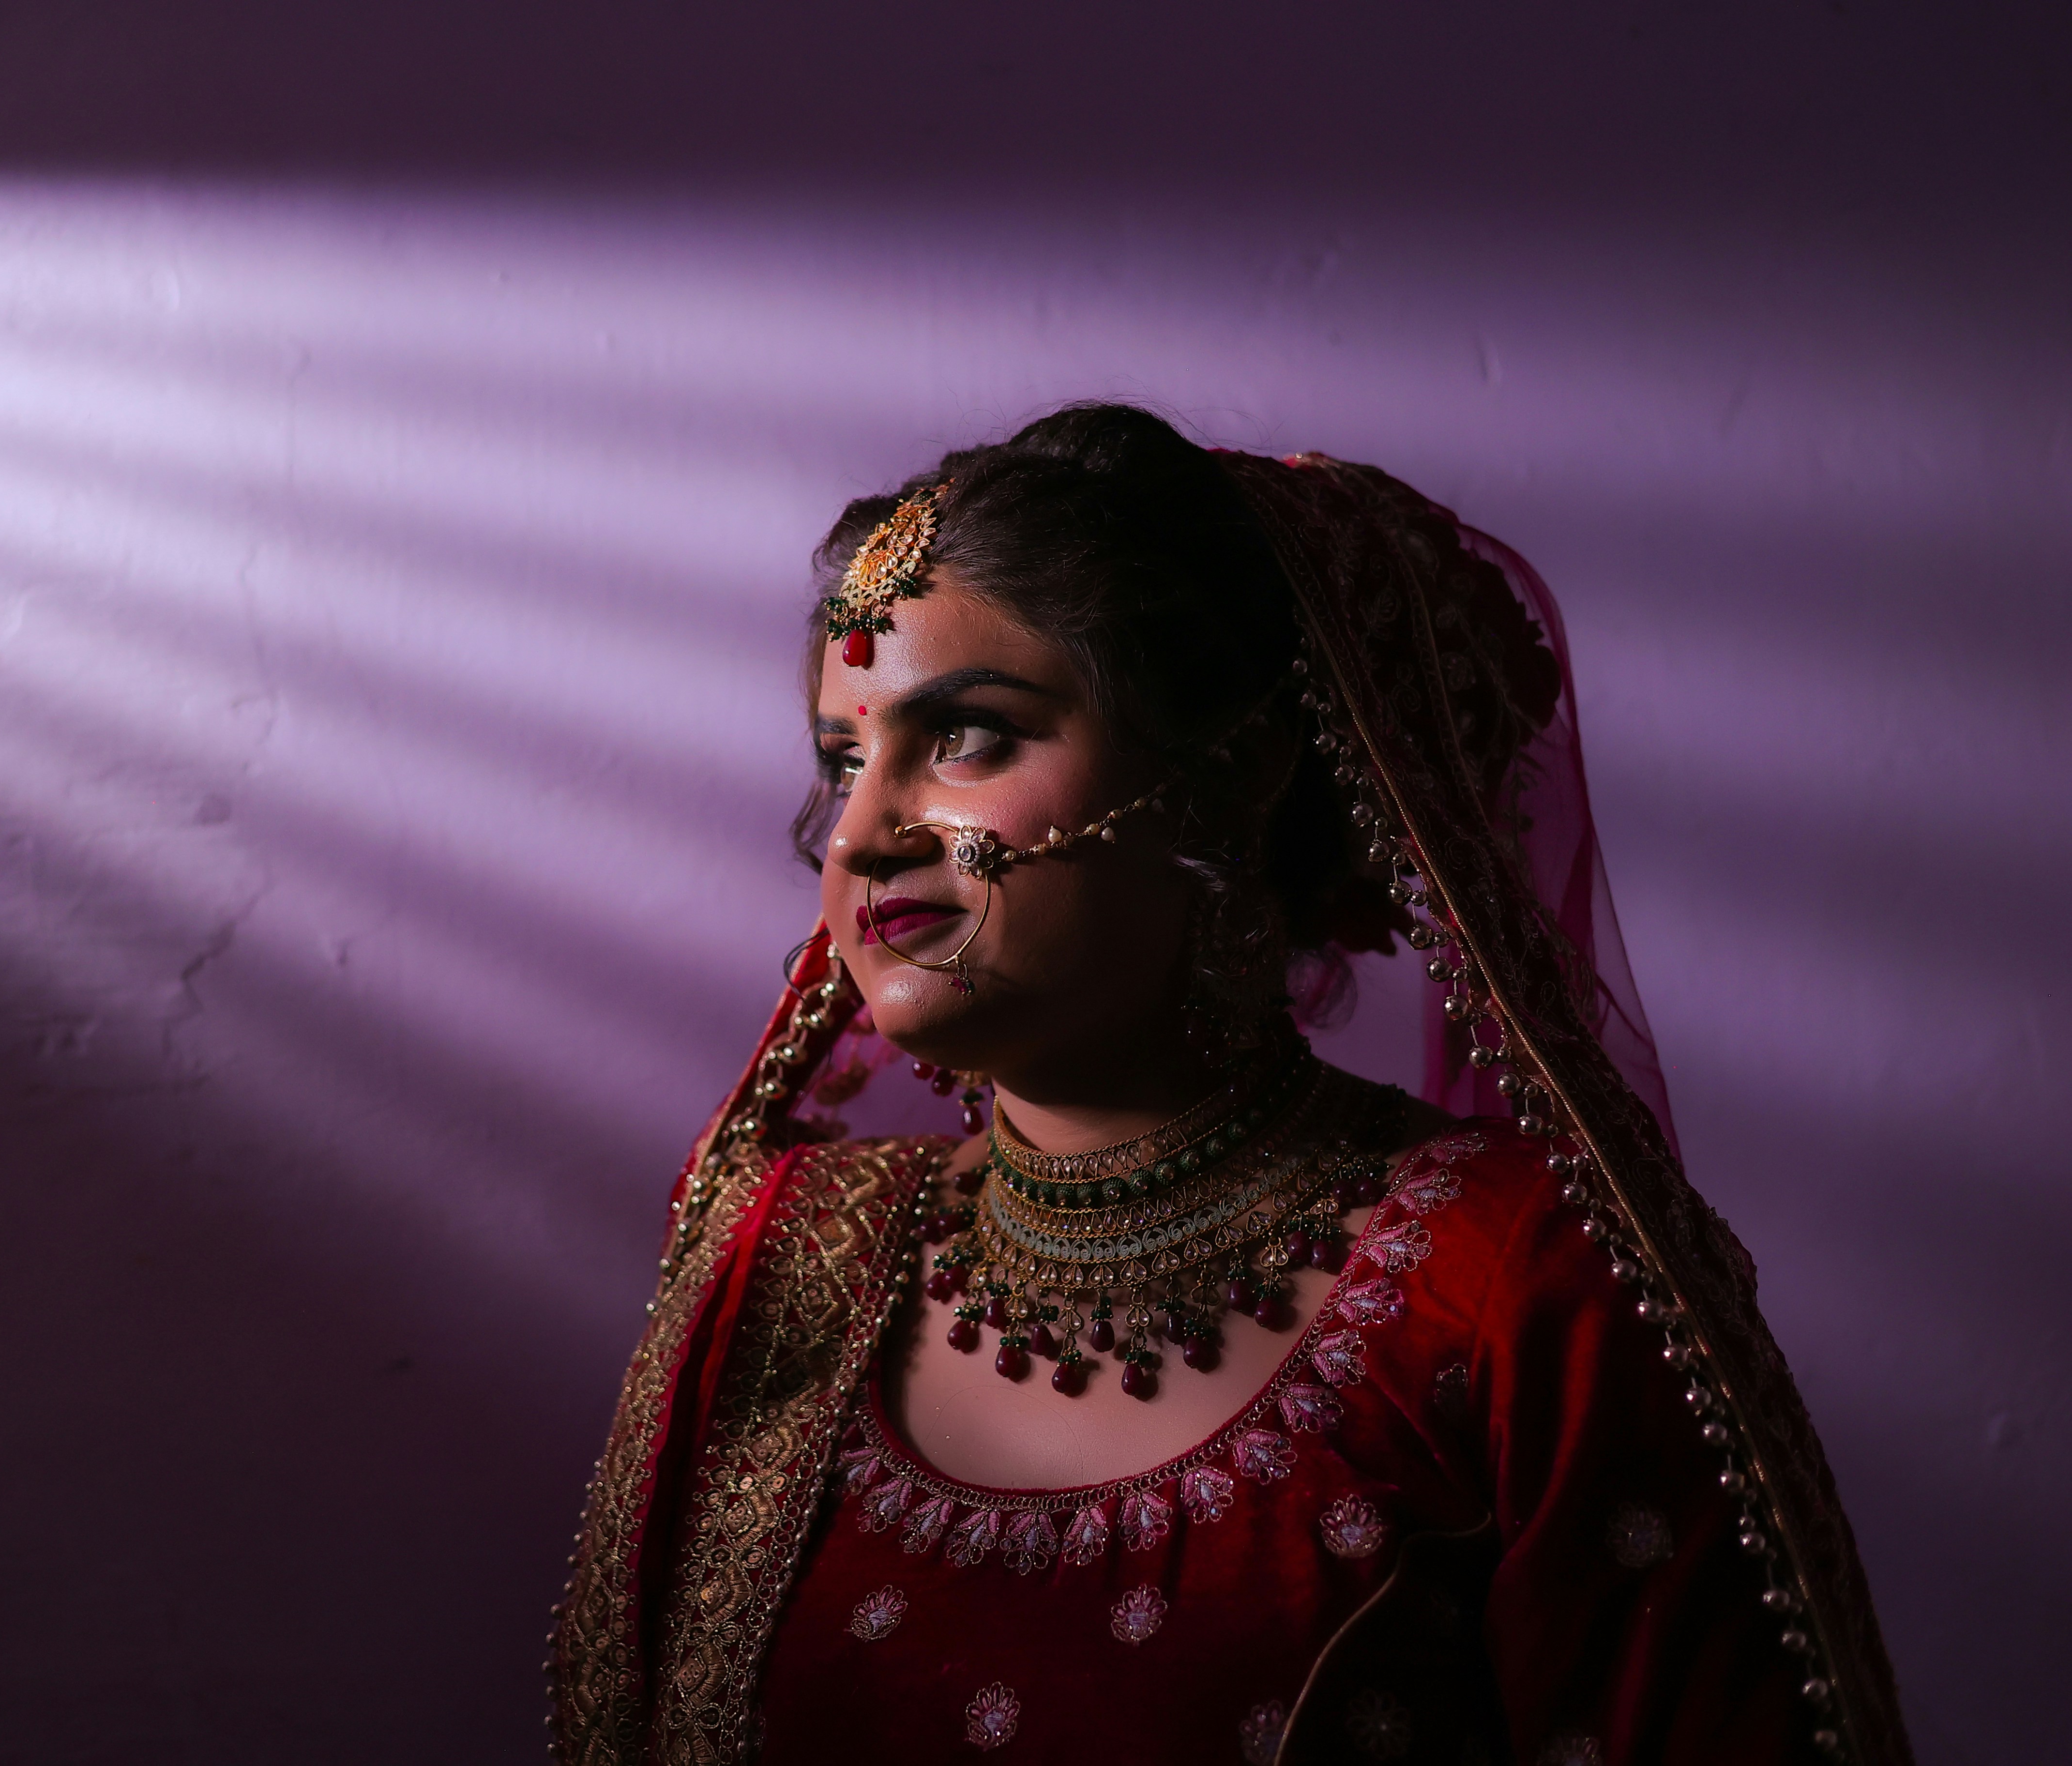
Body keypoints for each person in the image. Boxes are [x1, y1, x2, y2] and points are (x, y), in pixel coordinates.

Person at [547, 405, 1908, 1765]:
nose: (858, 834)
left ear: (1234, 777)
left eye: (964, 736)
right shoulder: (781, 1250)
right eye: (845, 758)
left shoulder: (1511, 1281)